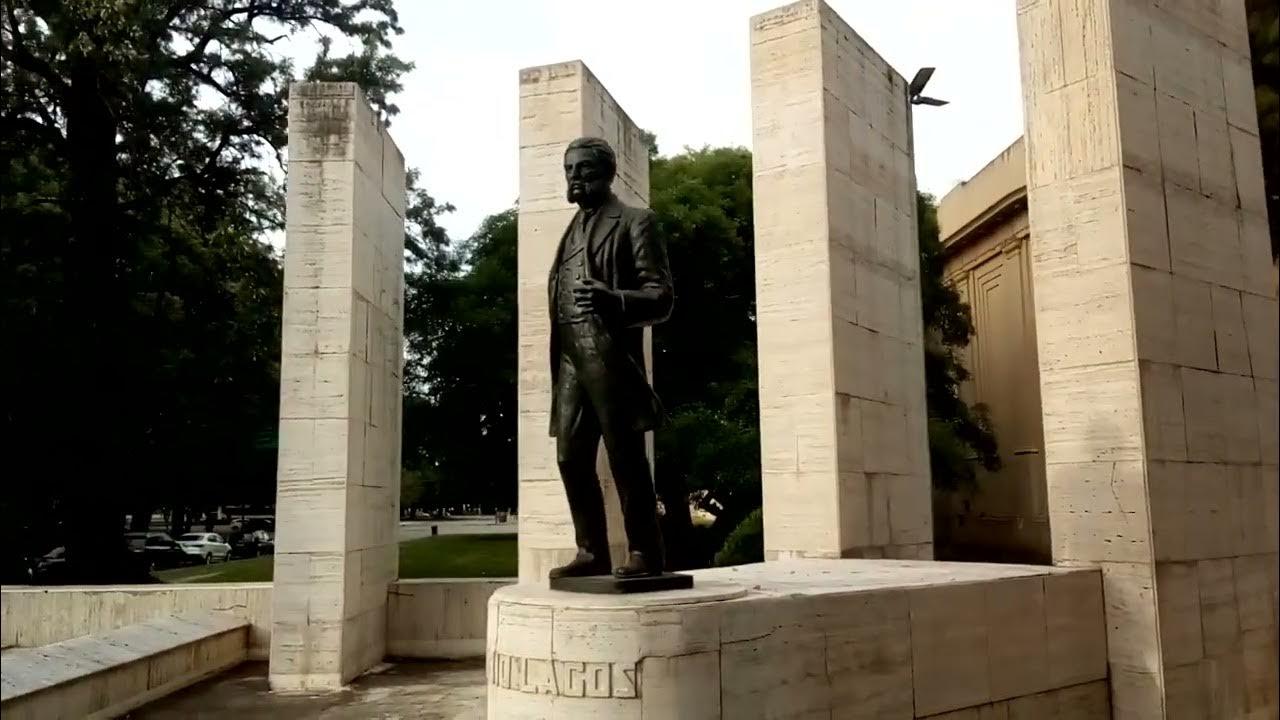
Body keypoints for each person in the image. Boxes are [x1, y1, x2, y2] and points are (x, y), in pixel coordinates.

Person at [547, 137, 674, 580]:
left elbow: (661, 297)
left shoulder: (636, 222)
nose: (574, 178)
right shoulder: (570, 230)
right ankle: (591, 552)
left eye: (583, 170)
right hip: (569, 357)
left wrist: (615, 300)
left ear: (607, 172)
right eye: (569, 171)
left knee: (625, 457)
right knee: (570, 457)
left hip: (609, 355)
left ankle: (645, 552)